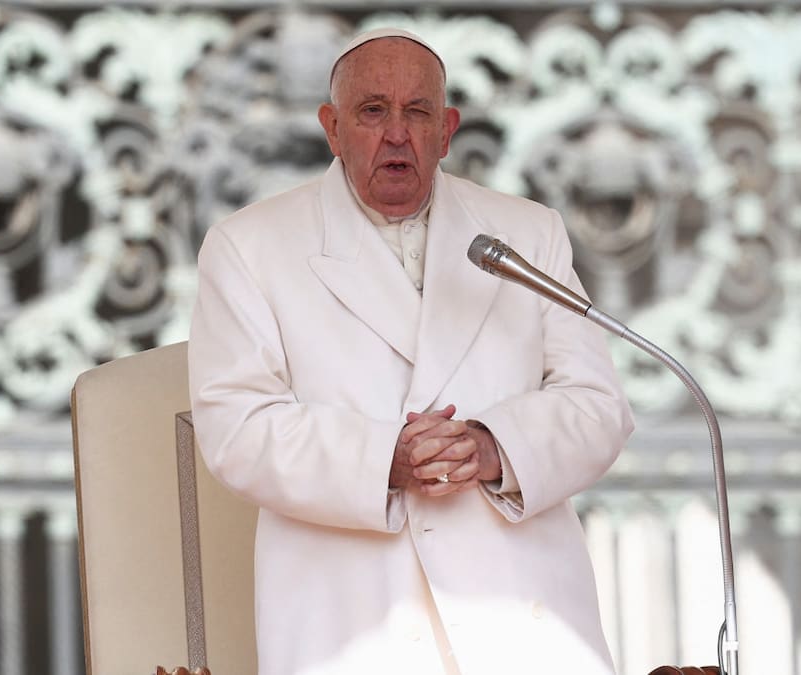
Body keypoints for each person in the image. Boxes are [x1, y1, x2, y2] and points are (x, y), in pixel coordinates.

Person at [188, 27, 635, 675]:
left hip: (522, 613)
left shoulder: (527, 232)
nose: (396, 133)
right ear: (332, 128)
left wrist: (490, 445)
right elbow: (237, 428)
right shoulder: (249, 246)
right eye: (372, 111)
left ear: (446, 130)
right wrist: (385, 460)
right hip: (353, 613)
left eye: (417, 112)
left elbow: (599, 407)